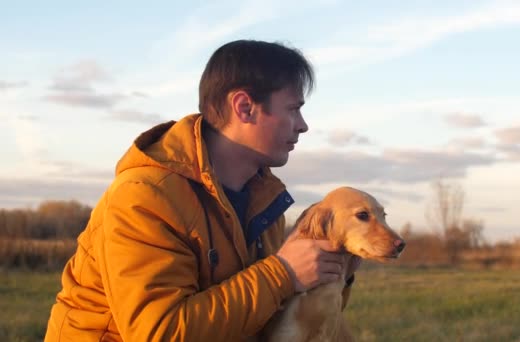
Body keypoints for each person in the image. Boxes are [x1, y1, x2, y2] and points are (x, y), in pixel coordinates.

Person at [44, 40, 360, 341]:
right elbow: (160, 333)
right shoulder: (146, 196)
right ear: (244, 107)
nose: (302, 125)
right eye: (293, 109)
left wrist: (332, 277)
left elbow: (269, 319)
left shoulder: (266, 203)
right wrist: (282, 273)